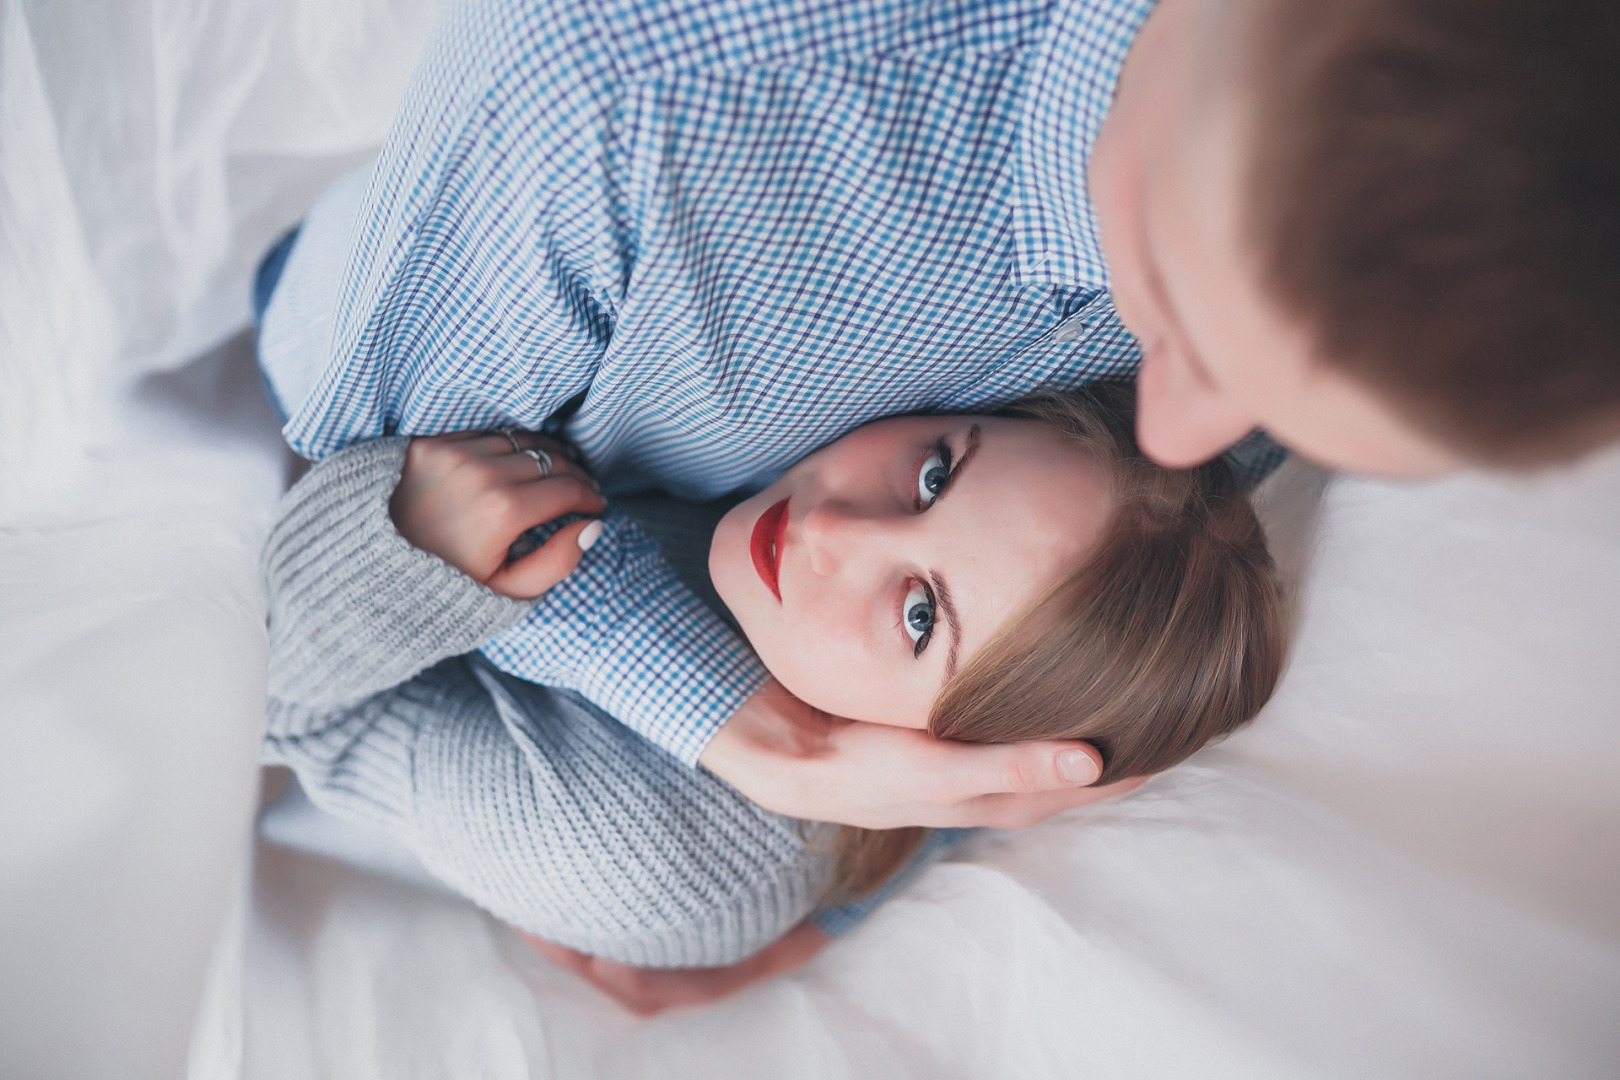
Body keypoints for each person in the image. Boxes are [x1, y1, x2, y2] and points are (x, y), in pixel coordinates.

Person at [258, 0, 1620, 840]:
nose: (1180, 429)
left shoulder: (1406, 227)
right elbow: (383, 500)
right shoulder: (630, 99)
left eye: (1266, 403)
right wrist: (740, 726)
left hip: (676, 566)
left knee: (704, 874)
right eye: (1186, 318)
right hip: (390, 467)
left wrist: (844, 785)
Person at [263, 385, 1283, 1011]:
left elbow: (295, 723)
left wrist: (408, 544)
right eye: (934, 475)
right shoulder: (826, 563)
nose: (834, 529)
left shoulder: (646, 844)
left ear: (945, 756)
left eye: (921, 617)